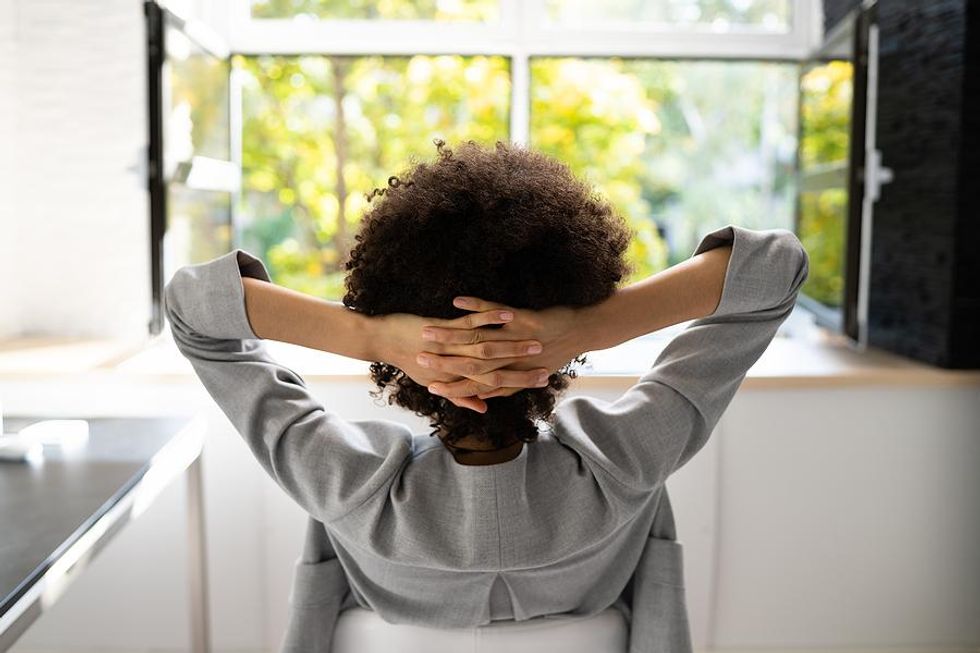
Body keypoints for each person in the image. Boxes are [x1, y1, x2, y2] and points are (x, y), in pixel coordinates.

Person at [163, 140, 809, 652]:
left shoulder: (344, 481)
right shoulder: (625, 463)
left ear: (408, 358)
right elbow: (776, 267)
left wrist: (369, 335)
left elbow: (192, 307)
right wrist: (589, 325)